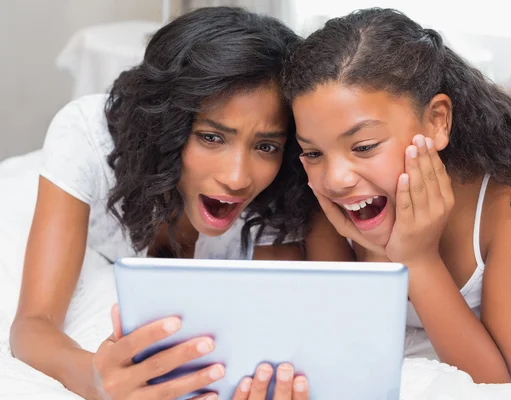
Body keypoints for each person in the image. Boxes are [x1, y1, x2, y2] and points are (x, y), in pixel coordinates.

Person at [10, 7, 351, 400]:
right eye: (211, 137)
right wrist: (94, 379)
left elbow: (274, 330)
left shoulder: (279, 189)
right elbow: (32, 325)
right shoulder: (87, 137)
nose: (238, 178)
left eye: (265, 145)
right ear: (166, 127)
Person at [282, 8, 511, 385]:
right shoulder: (331, 200)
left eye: (364, 146)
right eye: (314, 152)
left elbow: (506, 382)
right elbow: (353, 342)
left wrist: (416, 258)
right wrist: (378, 252)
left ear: (436, 121)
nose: (336, 180)